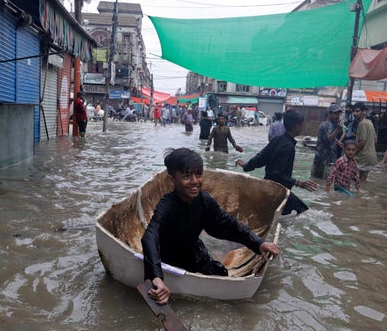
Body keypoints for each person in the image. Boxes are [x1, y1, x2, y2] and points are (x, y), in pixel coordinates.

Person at [141, 148, 281, 304]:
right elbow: (149, 236)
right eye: (187, 176)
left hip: (194, 253)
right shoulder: (166, 205)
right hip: (169, 259)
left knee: (221, 274)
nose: (194, 181)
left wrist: (258, 243)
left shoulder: (204, 200)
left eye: (198, 174)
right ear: (171, 180)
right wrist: (157, 277)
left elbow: (227, 223)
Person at [236, 109, 318, 215]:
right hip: (277, 190)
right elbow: (277, 173)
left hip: (267, 186)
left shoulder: (276, 140)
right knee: (301, 211)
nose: (302, 127)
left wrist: (246, 166)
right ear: (297, 126)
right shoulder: (289, 147)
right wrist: (298, 183)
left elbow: (260, 158)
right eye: (302, 125)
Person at [312, 103, 344, 179]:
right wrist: (337, 130)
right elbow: (327, 140)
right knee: (324, 181)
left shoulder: (333, 124)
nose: (337, 116)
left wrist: (337, 141)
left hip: (328, 159)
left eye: (338, 114)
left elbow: (329, 137)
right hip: (324, 159)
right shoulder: (326, 125)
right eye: (335, 114)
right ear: (329, 114)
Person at [353, 102, 377, 181]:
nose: (354, 113)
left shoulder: (362, 124)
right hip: (371, 156)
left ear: (363, 112)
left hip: (363, 157)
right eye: (354, 111)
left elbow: (362, 143)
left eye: (357, 111)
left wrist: (353, 153)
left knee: (349, 178)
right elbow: (375, 140)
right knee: (362, 182)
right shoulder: (369, 122)